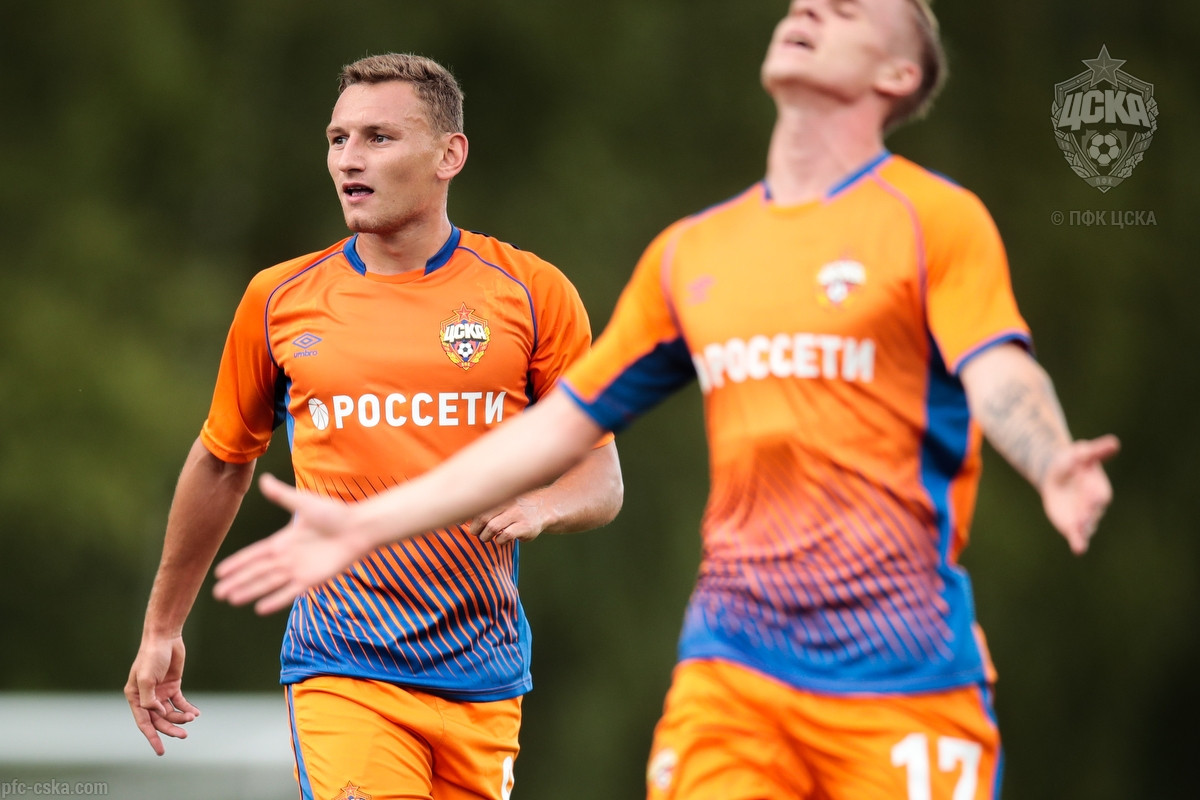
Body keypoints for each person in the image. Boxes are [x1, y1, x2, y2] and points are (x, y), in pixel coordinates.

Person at [213, 2, 1120, 798]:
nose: (809, 10)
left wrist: (1050, 459)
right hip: (731, 670)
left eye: (846, 9)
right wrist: (367, 523)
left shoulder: (934, 220)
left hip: (903, 671)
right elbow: (556, 432)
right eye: (802, 4)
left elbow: (998, 370)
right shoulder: (692, 253)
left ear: (898, 74)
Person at [124, 53, 623, 800]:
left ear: (449, 155)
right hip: (342, 660)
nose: (348, 160)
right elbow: (223, 461)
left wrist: (542, 506)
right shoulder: (280, 298)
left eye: (378, 138)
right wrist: (162, 625)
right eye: (338, 139)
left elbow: (601, 478)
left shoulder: (532, 291)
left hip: (486, 673)